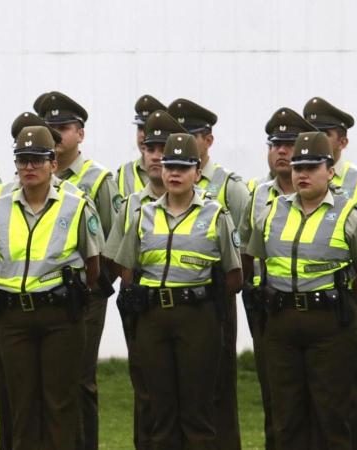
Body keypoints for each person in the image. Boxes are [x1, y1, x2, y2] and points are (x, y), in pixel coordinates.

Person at [245, 131, 357, 449]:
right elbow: (254, 257)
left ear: (330, 171)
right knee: (287, 417)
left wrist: (336, 298)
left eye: (311, 167)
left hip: (330, 325)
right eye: (297, 167)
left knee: (330, 415)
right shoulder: (272, 212)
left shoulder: (350, 216)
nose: (302, 174)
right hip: (281, 324)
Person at [115, 133, 242, 449]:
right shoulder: (143, 214)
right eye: (169, 166)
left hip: (197, 317)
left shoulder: (215, 215)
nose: (173, 173)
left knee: (197, 412)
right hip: (152, 317)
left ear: (197, 173)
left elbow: (234, 274)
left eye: (183, 167)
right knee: (160, 411)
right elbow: (127, 265)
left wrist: (205, 304)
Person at [0, 125, 100, 450]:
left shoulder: (76, 203)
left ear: (53, 164)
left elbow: (93, 264)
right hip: (14, 317)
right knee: (22, 408)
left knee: (60, 406)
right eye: (22, 160)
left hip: (61, 316)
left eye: (37, 160)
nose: (29, 167)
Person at [35, 91, 116, 450]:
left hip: (85, 296)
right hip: (43, 296)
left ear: (80, 133)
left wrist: (93, 287)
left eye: (63, 127)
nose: (55, 134)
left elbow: (112, 243)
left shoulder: (97, 179)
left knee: (80, 381)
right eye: (48, 127)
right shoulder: (34, 172)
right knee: (45, 384)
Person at [103, 109, 186, 449]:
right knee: (147, 391)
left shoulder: (202, 205)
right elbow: (114, 257)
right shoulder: (133, 204)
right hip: (142, 308)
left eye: (163, 149)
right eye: (150, 148)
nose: (155, 156)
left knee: (190, 395)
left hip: (189, 312)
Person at [169, 98, 249, 449]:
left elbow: (246, 244)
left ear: (208, 140)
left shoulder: (228, 186)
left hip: (216, 297)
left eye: (191, 134)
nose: (183, 141)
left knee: (219, 385)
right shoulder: (168, 180)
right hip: (175, 301)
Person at [238, 107, 316, 450]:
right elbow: (244, 248)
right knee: (276, 395)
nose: (281, 151)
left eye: (288, 143)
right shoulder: (256, 194)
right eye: (274, 144)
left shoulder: (328, 193)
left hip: (318, 310)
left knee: (321, 397)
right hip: (269, 308)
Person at [303, 97, 357, 449]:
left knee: (353, 384)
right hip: (310, 298)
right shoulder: (299, 175)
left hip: (351, 294)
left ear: (342, 141)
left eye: (325, 133)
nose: (316, 138)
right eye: (310, 131)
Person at [113, 94, 166, 198]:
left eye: (147, 128)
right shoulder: (124, 173)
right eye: (140, 128)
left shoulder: (176, 172)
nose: (142, 134)